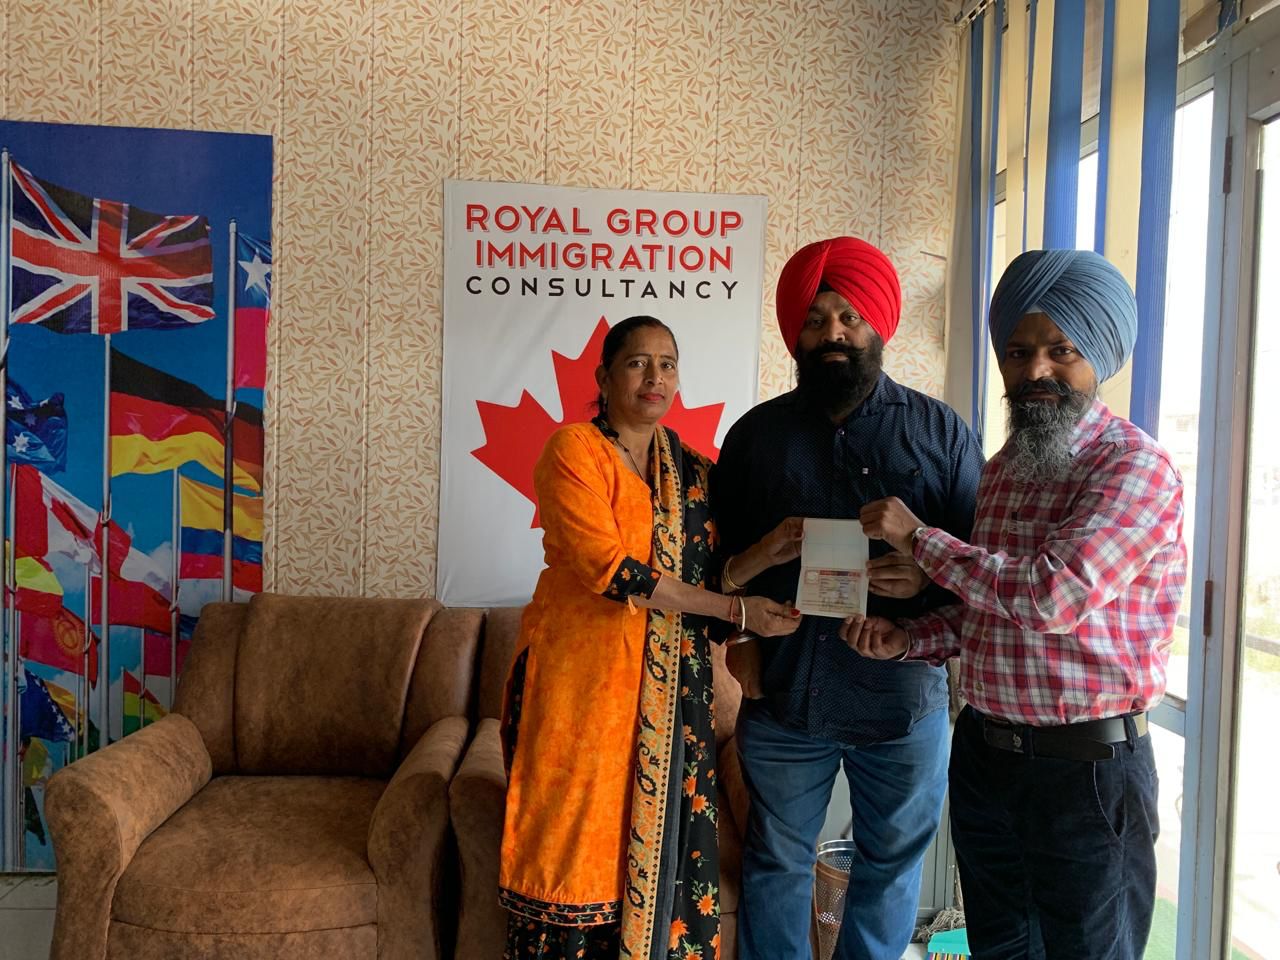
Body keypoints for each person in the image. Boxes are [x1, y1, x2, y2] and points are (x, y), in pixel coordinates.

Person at [844, 249, 1188, 960]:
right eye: (1018, 352)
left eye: (1061, 351)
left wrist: (920, 539)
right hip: (987, 758)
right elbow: (992, 613)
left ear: (1098, 356)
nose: (1036, 370)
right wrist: (910, 640)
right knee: (999, 949)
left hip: (1087, 772)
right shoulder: (1002, 470)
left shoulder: (1133, 466)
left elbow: (1052, 595)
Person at [711, 237, 983, 960]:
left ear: (877, 326)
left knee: (889, 871)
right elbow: (716, 564)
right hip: (786, 696)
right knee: (775, 865)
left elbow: (982, 570)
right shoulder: (754, 438)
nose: (833, 332)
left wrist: (924, 574)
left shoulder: (942, 434)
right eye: (815, 319)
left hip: (902, 703)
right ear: (795, 334)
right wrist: (741, 642)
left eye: (849, 317)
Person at [499, 315, 803, 960]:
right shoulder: (574, 450)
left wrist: (770, 551)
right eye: (637, 362)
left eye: (667, 364)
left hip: (673, 694)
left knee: (668, 843)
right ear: (604, 376)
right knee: (575, 846)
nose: (654, 377)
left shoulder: (694, 471)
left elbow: (713, 573)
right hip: (582, 682)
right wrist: (738, 610)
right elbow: (613, 572)